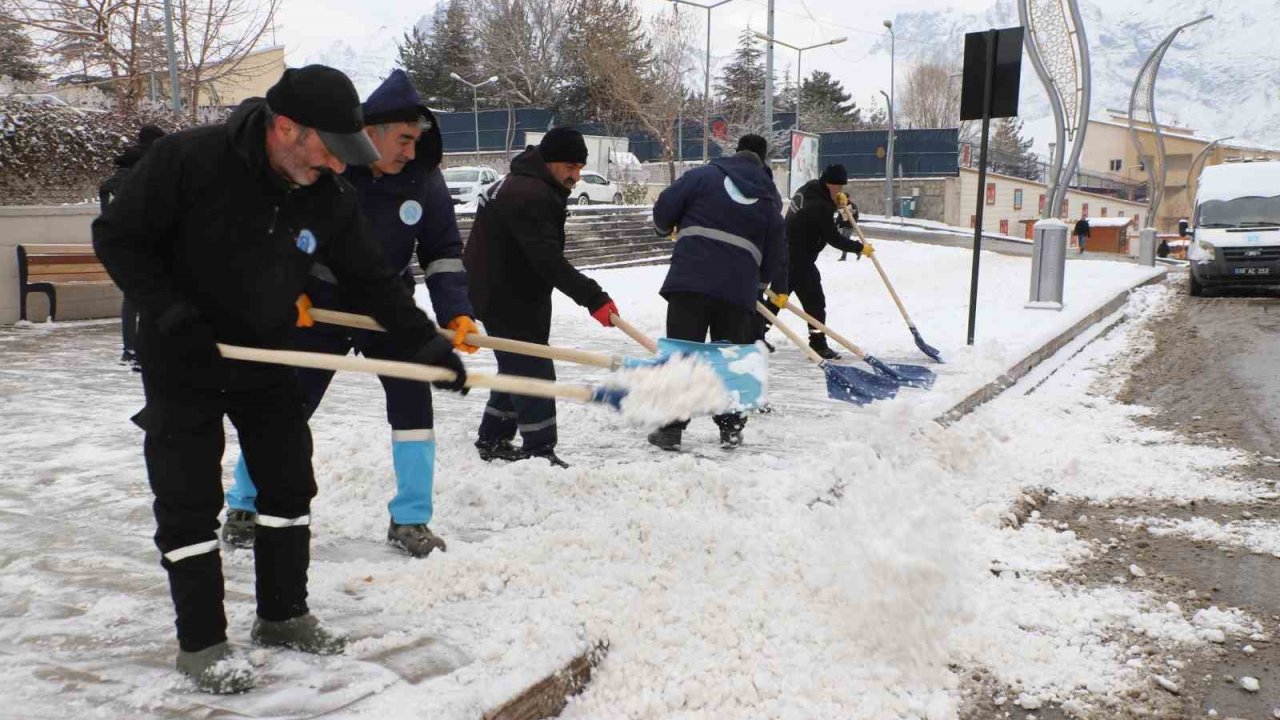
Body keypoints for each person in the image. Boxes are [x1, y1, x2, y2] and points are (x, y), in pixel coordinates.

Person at [92, 65, 468, 694]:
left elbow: (370, 278)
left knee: (289, 481)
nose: (336, 167)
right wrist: (169, 311)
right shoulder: (190, 161)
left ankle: (283, 616)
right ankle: (203, 642)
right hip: (184, 353)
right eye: (327, 150)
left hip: (266, 351)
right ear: (285, 126)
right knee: (188, 497)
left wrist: (423, 341)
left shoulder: (326, 192)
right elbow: (119, 237)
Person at [220, 69, 474, 559]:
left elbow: (442, 251)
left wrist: (457, 313)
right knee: (285, 409)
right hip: (321, 307)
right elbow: (294, 233)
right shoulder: (332, 167)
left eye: (416, 141)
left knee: (414, 409)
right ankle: (245, 504)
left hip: (389, 308)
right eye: (403, 139)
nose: (410, 151)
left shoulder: (425, 179)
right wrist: (288, 288)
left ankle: (411, 519)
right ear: (370, 133)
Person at [464, 127, 619, 468]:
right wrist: (594, 298)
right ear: (549, 162)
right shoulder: (529, 194)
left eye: (580, 167)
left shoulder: (523, 182)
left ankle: (493, 437)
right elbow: (547, 259)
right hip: (506, 291)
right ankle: (540, 450)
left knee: (516, 363)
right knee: (533, 367)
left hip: (505, 287)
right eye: (570, 167)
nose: (576, 176)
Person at [646, 134, 786, 451]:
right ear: (763, 162)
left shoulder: (703, 175)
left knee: (684, 353)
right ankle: (731, 429)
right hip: (737, 291)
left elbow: (666, 205)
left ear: (735, 153)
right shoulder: (768, 197)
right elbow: (777, 247)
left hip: (691, 280)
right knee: (732, 359)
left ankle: (671, 429)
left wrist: (664, 226)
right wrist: (759, 284)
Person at [775, 164, 871, 360]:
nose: (841, 191)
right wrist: (859, 248)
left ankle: (754, 335)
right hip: (800, 257)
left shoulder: (809, 188)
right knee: (815, 302)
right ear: (830, 184)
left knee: (777, 297)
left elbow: (815, 216)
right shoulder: (821, 206)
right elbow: (833, 238)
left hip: (785, 252)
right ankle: (818, 345)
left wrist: (838, 203)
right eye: (839, 187)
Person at [99, 124, 166, 371]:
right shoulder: (151, 168)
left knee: (132, 298)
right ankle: (146, 349)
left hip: (127, 245)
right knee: (155, 297)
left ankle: (130, 348)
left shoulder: (119, 175)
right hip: (151, 243)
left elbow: (106, 203)